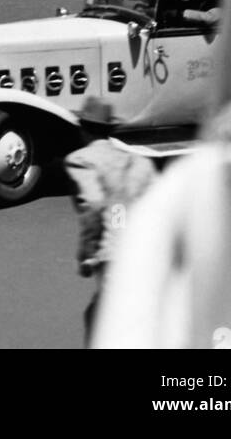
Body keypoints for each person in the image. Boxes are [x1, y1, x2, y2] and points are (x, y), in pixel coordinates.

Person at [63, 122, 158, 345]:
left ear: (83, 131)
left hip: (114, 254)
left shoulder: (81, 160)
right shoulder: (139, 160)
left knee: (105, 320)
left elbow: (94, 203)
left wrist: (87, 253)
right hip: (146, 253)